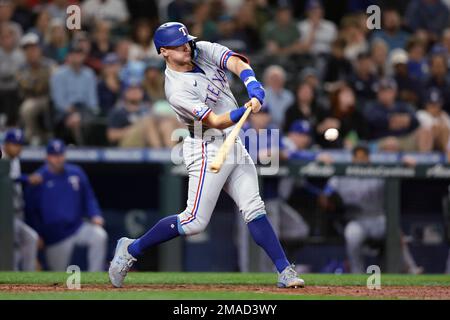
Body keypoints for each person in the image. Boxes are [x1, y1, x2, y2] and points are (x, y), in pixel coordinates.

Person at [109, 22, 305, 289]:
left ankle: (285, 271)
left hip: (234, 142)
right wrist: (243, 110)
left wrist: (252, 83)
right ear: (164, 51)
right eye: (178, 46)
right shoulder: (176, 89)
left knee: (254, 208)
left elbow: (235, 62)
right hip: (206, 146)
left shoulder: (199, 49)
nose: (186, 48)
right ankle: (132, 249)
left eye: (186, 42)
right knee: (193, 222)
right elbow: (214, 120)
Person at [319, 144, 423, 274]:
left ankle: (410, 268)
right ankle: (357, 273)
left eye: (364, 157)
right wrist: (328, 201)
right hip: (356, 219)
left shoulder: (377, 171)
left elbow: (399, 167)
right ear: (352, 159)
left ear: (369, 159)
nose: (360, 161)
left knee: (395, 231)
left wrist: (404, 162)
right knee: (351, 235)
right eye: (357, 157)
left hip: (378, 218)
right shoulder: (342, 175)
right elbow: (325, 196)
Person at [24, 139, 108, 271]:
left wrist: (95, 214)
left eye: (60, 155)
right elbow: (30, 211)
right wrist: (37, 233)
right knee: (59, 276)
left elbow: (89, 198)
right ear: (47, 157)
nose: (58, 159)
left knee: (99, 235)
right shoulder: (38, 178)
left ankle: (95, 277)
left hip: (77, 227)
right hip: (55, 237)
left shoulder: (76, 173)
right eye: (54, 155)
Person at [1, 129, 39, 271]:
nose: (17, 147)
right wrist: (27, 179)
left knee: (27, 240)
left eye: (19, 144)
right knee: (21, 242)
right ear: (6, 144)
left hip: (16, 212)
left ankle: (26, 278)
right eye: (13, 144)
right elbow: (7, 178)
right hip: (4, 214)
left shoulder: (15, 160)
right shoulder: (2, 157)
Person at [50, 42, 99, 145]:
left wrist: (86, 112)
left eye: (79, 54)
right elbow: (58, 101)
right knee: (74, 120)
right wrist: (72, 112)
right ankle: (80, 149)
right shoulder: (59, 74)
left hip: (84, 109)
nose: (76, 57)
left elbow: (92, 101)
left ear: (83, 56)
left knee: (92, 120)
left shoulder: (89, 74)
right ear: (68, 56)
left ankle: (84, 147)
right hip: (64, 111)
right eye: (73, 54)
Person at [364, 77, 432, 152]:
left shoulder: (403, 106)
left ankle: (423, 161)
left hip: (404, 138)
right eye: (381, 91)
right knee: (391, 143)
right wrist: (392, 120)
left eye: (387, 91)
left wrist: (406, 120)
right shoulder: (372, 106)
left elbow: (415, 120)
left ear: (394, 92)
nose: (384, 94)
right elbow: (372, 120)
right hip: (381, 140)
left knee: (426, 131)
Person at [17, 33, 55, 145]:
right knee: (27, 108)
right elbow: (30, 86)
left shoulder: (50, 64)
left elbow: (54, 81)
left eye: (34, 48)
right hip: (32, 98)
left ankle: (49, 136)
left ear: (40, 49)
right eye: (28, 49)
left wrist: (41, 82)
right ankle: (32, 136)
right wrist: (43, 80)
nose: (31, 52)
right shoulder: (21, 68)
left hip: (49, 97)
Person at [106, 81, 162, 148]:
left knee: (167, 124)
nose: (135, 92)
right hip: (126, 144)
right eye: (131, 90)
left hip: (146, 141)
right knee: (148, 122)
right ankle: (158, 152)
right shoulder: (118, 111)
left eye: (138, 89)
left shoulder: (148, 109)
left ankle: (169, 155)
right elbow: (111, 136)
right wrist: (134, 129)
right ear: (125, 93)